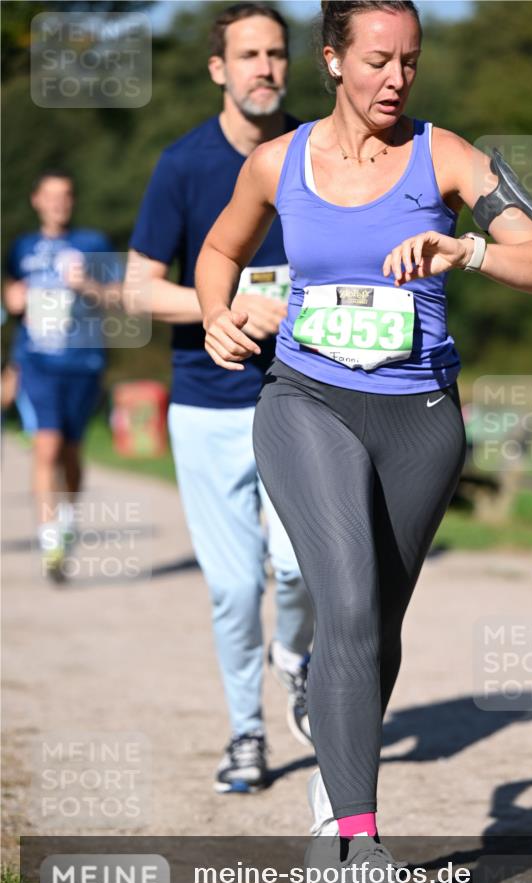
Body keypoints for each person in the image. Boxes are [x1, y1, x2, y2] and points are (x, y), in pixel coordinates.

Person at [195, 0, 532, 883]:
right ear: (331, 60)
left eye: (409, 61)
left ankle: (335, 803)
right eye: (374, 61)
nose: (394, 80)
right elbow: (220, 249)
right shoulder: (276, 163)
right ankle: (360, 842)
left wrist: (469, 248)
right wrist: (218, 314)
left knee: (376, 626)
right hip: (306, 399)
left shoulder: (445, 158)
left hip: (420, 419)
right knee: (352, 598)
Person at [125, 3, 315, 795]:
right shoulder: (183, 165)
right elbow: (138, 290)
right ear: (219, 69)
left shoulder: (317, 154)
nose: (264, 68)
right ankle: (245, 732)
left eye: (275, 53)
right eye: (248, 55)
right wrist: (220, 309)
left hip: (302, 394)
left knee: (301, 567)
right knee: (236, 586)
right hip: (205, 405)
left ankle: (295, 655)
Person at [2, 170, 121, 580]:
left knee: (71, 450)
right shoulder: (21, 247)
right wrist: (10, 298)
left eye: (66, 195)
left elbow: (118, 297)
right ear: (36, 199)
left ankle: (67, 518)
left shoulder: (93, 244)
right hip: (37, 362)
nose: (58, 203)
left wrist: (88, 286)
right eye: (50, 196)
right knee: (46, 445)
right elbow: (10, 294)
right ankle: (50, 539)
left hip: (84, 361)